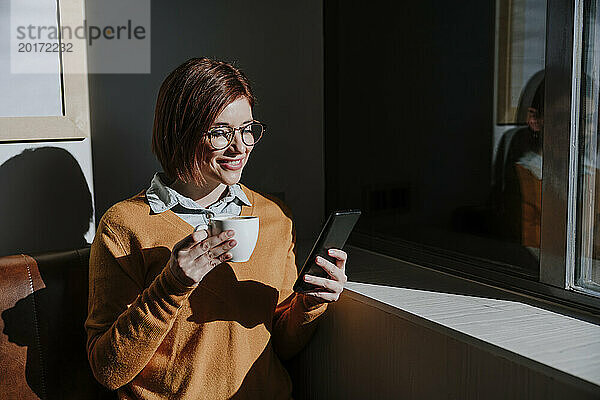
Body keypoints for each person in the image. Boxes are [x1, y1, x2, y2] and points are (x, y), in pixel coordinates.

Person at [85, 57, 349, 399]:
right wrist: (171, 286)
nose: (240, 147)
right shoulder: (125, 225)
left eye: (248, 129)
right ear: (180, 131)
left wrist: (311, 301)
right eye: (221, 132)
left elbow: (281, 344)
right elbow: (108, 370)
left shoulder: (273, 217)